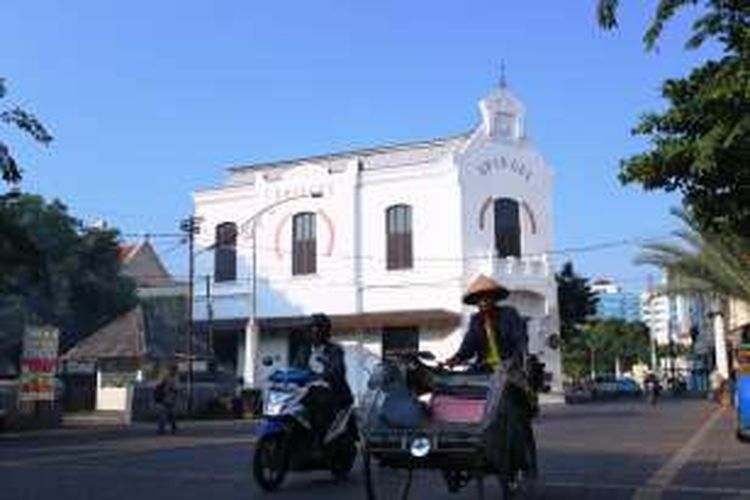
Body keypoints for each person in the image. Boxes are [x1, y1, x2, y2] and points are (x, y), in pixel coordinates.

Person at [444, 274, 537, 482]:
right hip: (483, 370)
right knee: (459, 389)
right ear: (476, 302)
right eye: (480, 299)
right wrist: (455, 359)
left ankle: (518, 451)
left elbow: (520, 340)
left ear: (494, 298)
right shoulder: (476, 320)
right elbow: (468, 347)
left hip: (509, 369)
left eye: (487, 297)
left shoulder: (509, 315)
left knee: (510, 404)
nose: (484, 301)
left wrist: (516, 359)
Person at [292, 313, 353, 441]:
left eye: (318, 328)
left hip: (333, 393)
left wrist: (321, 377)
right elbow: (295, 369)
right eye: (312, 328)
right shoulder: (303, 351)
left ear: (325, 331)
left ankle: (318, 441)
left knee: (319, 404)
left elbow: (338, 370)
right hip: (306, 392)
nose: (314, 331)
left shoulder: (335, 350)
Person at [154, 367, 179, 435]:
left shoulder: (170, 380)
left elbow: (174, 390)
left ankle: (164, 429)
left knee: (167, 415)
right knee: (168, 415)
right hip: (166, 399)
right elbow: (175, 390)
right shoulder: (171, 380)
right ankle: (169, 428)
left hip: (166, 399)